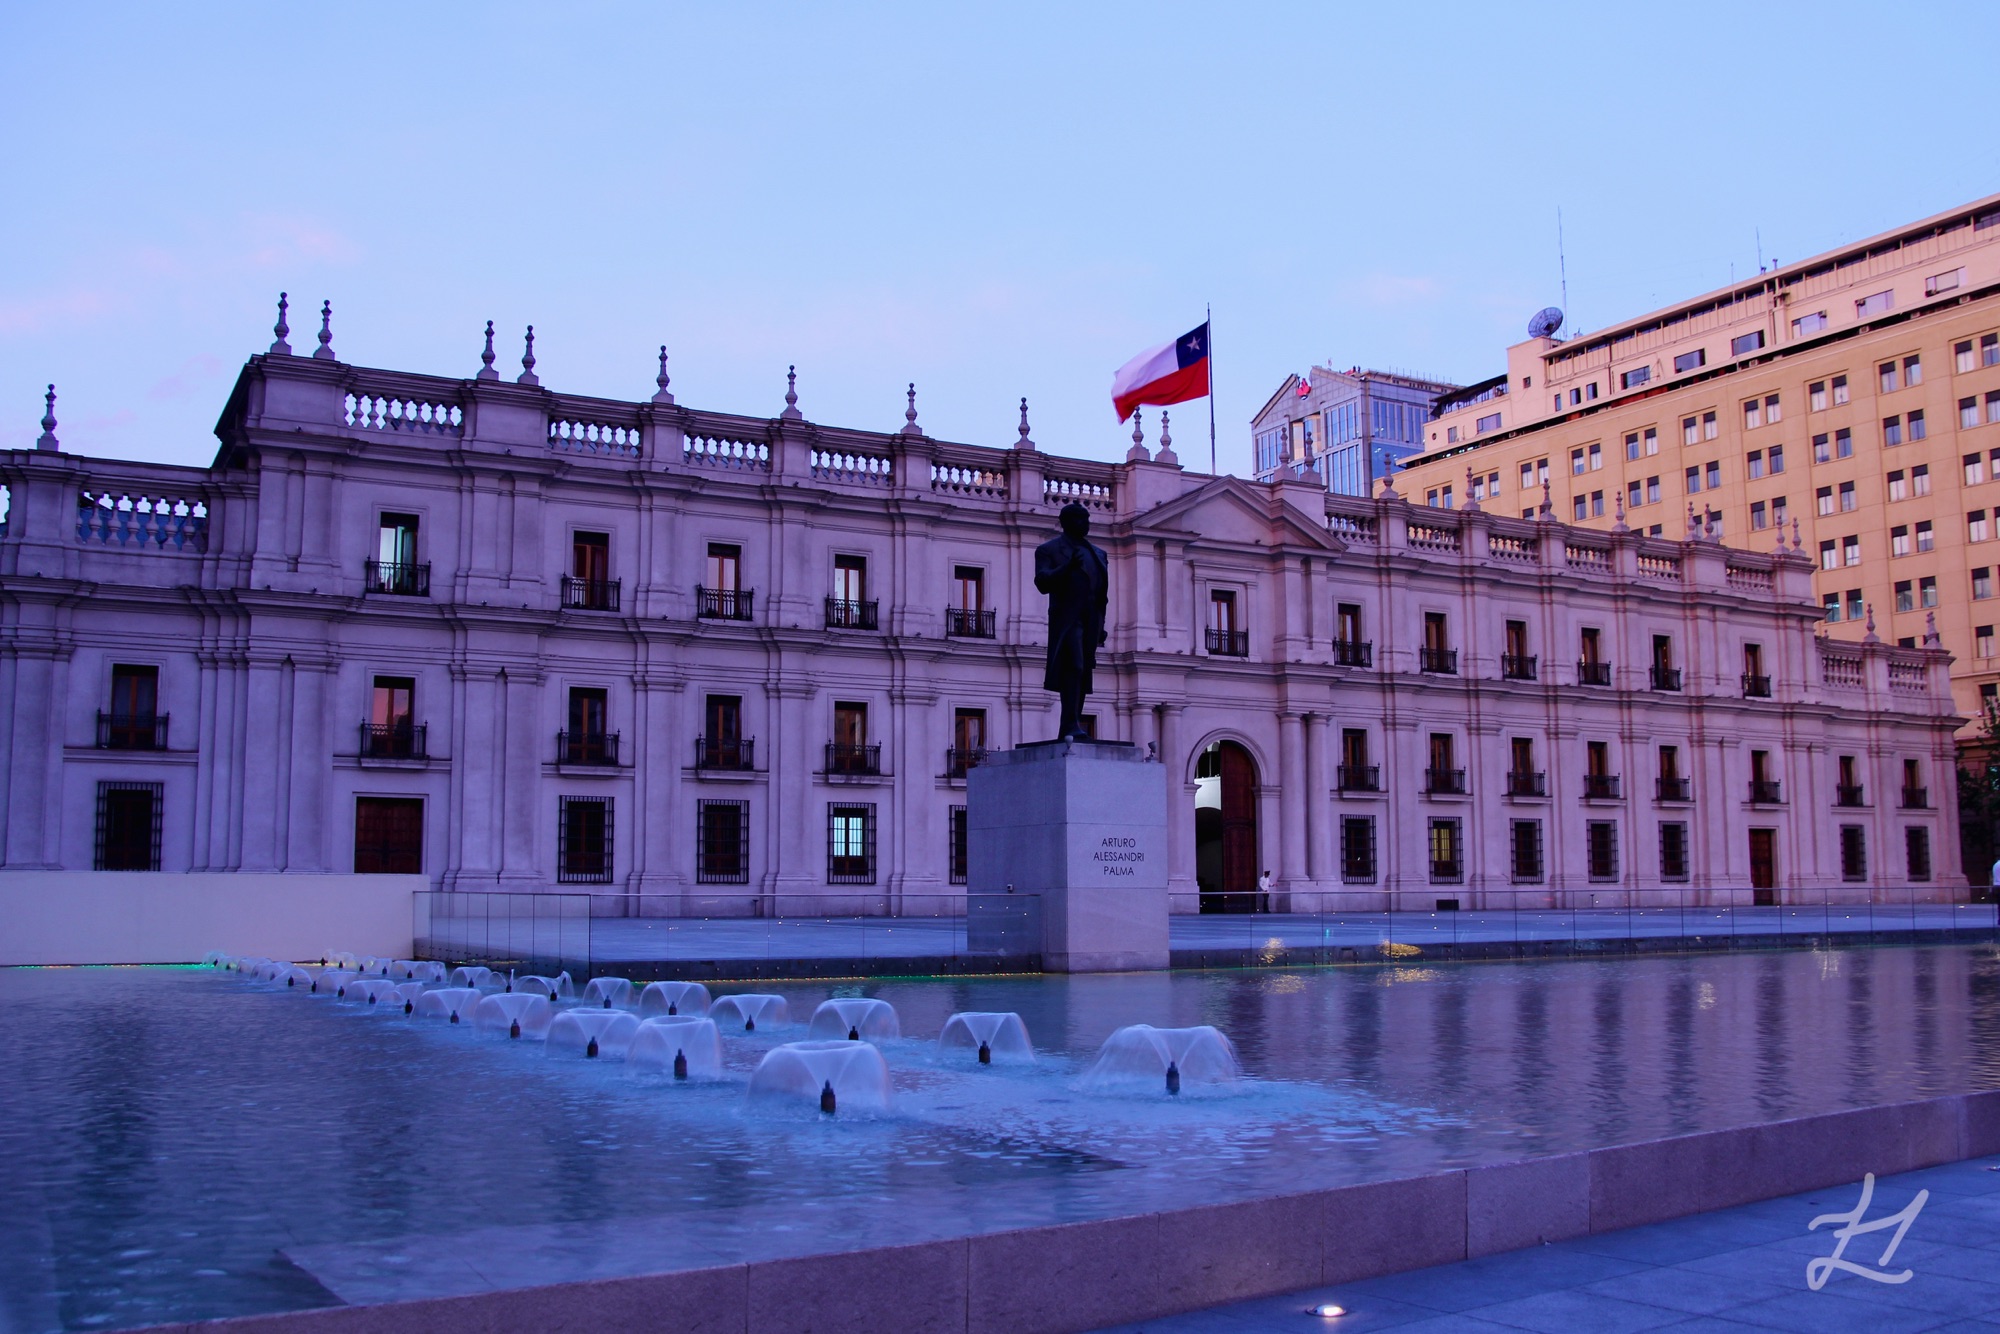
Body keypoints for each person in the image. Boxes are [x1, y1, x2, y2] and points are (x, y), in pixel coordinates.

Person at [1034, 502, 1109, 741]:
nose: (1086, 524)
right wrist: (1067, 568)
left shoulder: (1099, 554)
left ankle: (1071, 723)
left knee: (1083, 671)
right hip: (1067, 619)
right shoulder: (1048, 549)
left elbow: (1101, 593)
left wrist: (1101, 624)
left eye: (1087, 519)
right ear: (1066, 522)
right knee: (1074, 666)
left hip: (1091, 619)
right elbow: (1042, 582)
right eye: (1080, 519)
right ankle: (1070, 723)